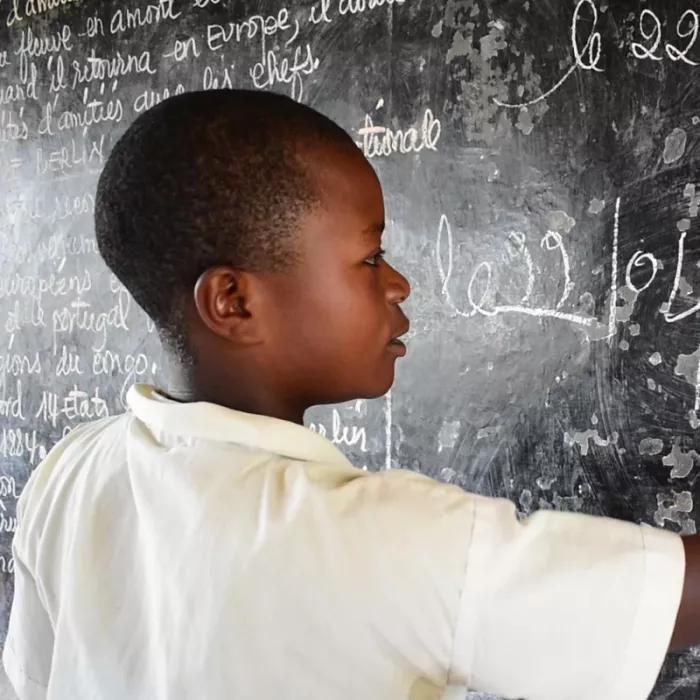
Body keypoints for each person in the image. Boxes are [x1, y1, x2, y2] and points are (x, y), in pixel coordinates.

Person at [4, 89, 699, 700]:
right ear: (233, 301)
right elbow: (664, 599)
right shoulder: (371, 537)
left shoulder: (69, 472)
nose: (398, 284)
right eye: (370, 258)